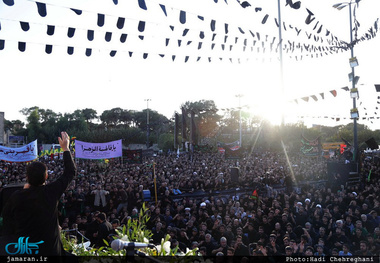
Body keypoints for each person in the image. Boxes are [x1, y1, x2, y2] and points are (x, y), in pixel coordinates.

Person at [1, 132, 76, 256]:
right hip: (51, 252)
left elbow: (6, 219)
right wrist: (66, 148)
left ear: (27, 177)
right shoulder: (52, 192)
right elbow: (70, 172)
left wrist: (24, 192)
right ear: (46, 176)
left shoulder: (16, 197)